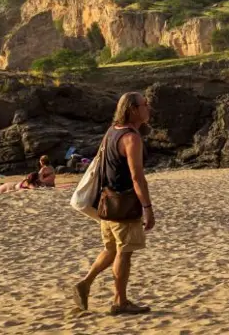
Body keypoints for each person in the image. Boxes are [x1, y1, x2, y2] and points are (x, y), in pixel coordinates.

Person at [72, 91, 155, 316]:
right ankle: (120, 301)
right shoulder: (131, 138)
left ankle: (86, 282)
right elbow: (137, 177)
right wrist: (147, 208)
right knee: (124, 252)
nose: (148, 108)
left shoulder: (111, 132)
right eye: (144, 104)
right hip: (123, 204)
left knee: (111, 249)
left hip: (106, 202)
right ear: (133, 109)